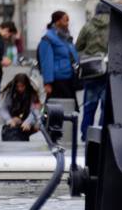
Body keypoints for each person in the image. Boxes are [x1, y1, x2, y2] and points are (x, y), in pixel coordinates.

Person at [75, 9, 110, 140]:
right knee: (105, 107)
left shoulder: (88, 25)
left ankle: (86, 135)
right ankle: (101, 135)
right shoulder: (114, 25)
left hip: (91, 71)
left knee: (89, 106)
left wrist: (90, 52)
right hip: (107, 70)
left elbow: (78, 46)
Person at [38, 10, 80, 101]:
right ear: (57, 22)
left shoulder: (66, 37)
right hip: (57, 80)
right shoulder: (48, 38)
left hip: (69, 78)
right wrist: (47, 82)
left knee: (70, 110)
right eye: (65, 20)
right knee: (56, 110)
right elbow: (46, 61)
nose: (67, 23)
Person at [0, 73, 42, 141]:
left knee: (37, 124)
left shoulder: (32, 94)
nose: (20, 89)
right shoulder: (11, 93)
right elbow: (3, 109)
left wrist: (28, 122)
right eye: (18, 86)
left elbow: (35, 111)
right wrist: (9, 120)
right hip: (14, 118)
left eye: (22, 86)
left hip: (28, 119)